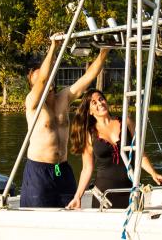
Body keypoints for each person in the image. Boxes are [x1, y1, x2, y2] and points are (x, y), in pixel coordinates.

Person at [19, 38, 109, 208]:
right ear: (32, 86)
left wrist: (104, 51)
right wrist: (54, 46)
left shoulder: (64, 98)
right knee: (37, 218)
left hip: (62, 169)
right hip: (39, 171)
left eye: (47, 75)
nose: (46, 80)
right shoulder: (32, 103)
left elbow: (88, 77)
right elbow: (43, 80)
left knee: (71, 211)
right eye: (37, 80)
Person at [66, 89, 162, 209]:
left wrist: (153, 173)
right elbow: (87, 168)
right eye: (94, 103)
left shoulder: (127, 122)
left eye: (101, 99)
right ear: (90, 111)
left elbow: (140, 154)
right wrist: (78, 196)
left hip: (131, 190)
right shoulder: (89, 134)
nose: (100, 103)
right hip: (104, 194)